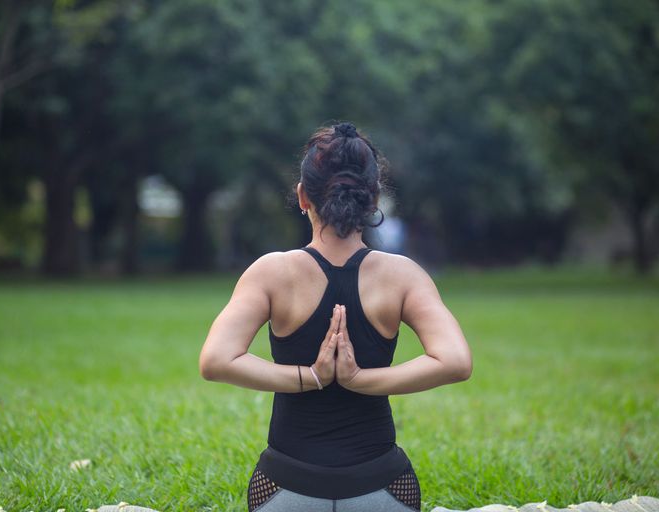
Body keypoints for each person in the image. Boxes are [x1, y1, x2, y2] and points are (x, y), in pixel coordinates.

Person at [199, 122, 472, 511]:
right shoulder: (403, 275)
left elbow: (216, 360)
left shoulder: (272, 272)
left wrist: (308, 377)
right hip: (383, 490)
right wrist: (363, 380)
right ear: (372, 198)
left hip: (284, 491)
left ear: (302, 196)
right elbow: (456, 362)